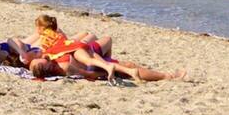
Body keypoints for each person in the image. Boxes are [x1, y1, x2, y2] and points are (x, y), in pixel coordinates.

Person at [27, 15, 184, 83]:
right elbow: (88, 73)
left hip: (85, 51)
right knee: (126, 65)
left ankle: (112, 62)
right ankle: (166, 76)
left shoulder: (51, 58)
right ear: (46, 67)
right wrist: (109, 71)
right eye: (40, 61)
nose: (41, 57)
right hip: (89, 59)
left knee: (110, 44)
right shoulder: (63, 67)